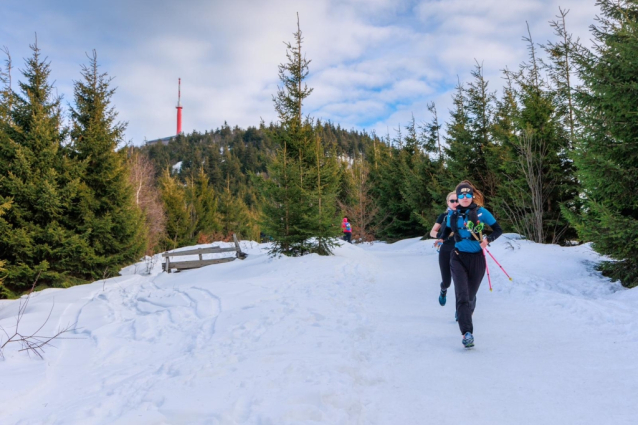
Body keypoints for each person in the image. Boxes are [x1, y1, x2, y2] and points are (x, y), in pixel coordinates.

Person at [438, 181, 502, 348]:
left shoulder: (481, 213)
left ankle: (465, 313)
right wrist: (440, 239)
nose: (464, 198)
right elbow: (445, 232)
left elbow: (498, 229)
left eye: (467, 195)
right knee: (462, 296)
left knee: (470, 295)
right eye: (461, 195)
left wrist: (488, 240)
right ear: (457, 197)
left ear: (472, 196)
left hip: (477, 259)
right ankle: (467, 333)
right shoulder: (452, 214)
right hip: (458, 257)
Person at [429, 192, 458, 307]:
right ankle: (443, 290)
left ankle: (461, 310)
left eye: (457, 201)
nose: (455, 203)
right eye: (452, 201)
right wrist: (442, 236)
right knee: (447, 282)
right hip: (446, 250)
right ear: (447, 202)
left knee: (460, 283)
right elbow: (432, 232)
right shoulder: (444, 216)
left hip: (460, 250)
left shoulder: (466, 215)